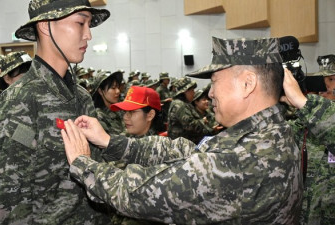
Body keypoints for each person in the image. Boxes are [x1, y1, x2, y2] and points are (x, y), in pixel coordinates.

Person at [61, 37, 303, 224]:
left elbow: (141, 193)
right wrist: (110, 142)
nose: (209, 93)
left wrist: (84, 165)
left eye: (215, 81)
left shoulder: (242, 160)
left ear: (248, 83)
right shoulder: (273, 133)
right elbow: (188, 152)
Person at [0, 0, 111, 224]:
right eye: (81, 23)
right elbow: (8, 200)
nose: (88, 35)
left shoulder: (80, 96)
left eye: (89, 25)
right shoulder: (20, 101)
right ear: (45, 26)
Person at [296, 54, 335, 224]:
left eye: (332, 80)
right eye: (322, 80)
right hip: (308, 213)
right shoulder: (308, 118)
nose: (325, 87)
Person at [167, 77, 213, 144]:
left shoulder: (185, 103)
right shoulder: (179, 104)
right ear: (186, 91)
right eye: (192, 90)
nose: (194, 93)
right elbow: (189, 125)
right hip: (180, 145)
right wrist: (203, 121)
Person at [92, 70, 125, 135]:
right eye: (113, 88)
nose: (118, 91)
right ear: (101, 91)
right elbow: (110, 141)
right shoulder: (98, 116)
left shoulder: (120, 109)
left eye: (118, 87)